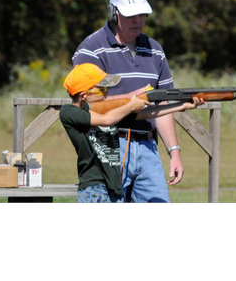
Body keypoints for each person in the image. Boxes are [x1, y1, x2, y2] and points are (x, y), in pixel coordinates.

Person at [72, 0, 197, 203]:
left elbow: (164, 106)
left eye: (142, 14)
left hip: (149, 148)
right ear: (113, 13)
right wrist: (132, 101)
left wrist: (174, 152)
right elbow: (87, 104)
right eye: (131, 15)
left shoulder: (155, 50)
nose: (138, 20)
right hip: (109, 148)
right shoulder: (91, 48)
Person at [60, 63, 203, 203]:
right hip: (94, 190)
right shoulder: (68, 112)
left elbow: (148, 113)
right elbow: (107, 120)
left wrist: (181, 105)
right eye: (102, 90)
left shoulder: (110, 111)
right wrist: (130, 105)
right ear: (84, 95)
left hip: (113, 188)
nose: (107, 94)